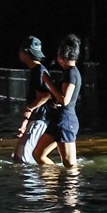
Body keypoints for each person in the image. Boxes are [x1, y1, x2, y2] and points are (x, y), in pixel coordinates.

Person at [35, 35, 82, 168]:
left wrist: (48, 82)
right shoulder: (69, 72)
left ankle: (71, 187)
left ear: (62, 57)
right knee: (38, 154)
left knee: (69, 164)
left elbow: (65, 100)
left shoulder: (71, 73)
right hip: (58, 120)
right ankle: (55, 180)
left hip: (65, 121)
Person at [13, 36, 52, 164]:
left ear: (26, 52)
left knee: (25, 158)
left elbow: (47, 94)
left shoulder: (40, 72)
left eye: (20, 51)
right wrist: (25, 123)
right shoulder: (36, 71)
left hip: (40, 120)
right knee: (18, 157)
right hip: (35, 120)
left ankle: (41, 181)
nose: (19, 53)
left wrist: (30, 109)